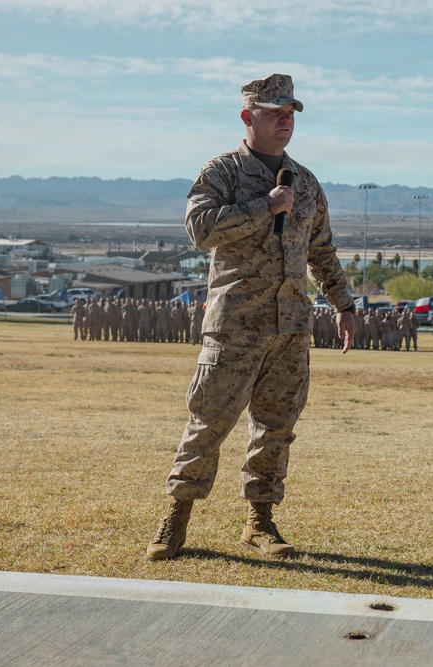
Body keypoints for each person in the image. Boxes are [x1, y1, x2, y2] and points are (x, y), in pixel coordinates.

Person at [147, 74, 355, 561]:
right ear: (248, 116)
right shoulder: (223, 172)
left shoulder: (306, 183)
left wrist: (344, 305)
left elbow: (321, 250)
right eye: (276, 111)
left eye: (292, 113)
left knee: (277, 426)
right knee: (208, 422)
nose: (286, 120)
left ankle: (260, 523)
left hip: (290, 327)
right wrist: (264, 206)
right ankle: (175, 520)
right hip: (236, 325)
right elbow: (200, 230)